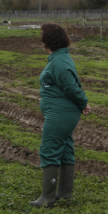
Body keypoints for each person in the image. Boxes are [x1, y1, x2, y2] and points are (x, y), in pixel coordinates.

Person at [29, 23, 91, 207]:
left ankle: (47, 198)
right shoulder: (60, 57)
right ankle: (64, 192)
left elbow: (71, 87)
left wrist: (83, 103)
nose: (40, 41)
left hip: (60, 114)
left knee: (49, 150)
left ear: (47, 41)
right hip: (63, 113)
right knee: (65, 150)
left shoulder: (59, 62)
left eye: (42, 37)